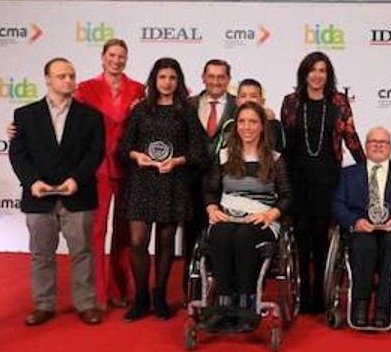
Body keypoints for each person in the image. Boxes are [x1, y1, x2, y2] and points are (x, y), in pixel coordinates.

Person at [8, 57, 106, 327]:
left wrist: (77, 179)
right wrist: (32, 182)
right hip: (38, 197)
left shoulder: (91, 116)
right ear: (47, 80)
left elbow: (95, 152)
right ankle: (43, 304)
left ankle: (86, 304)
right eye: (61, 76)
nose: (68, 80)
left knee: (83, 252)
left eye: (72, 75)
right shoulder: (24, 116)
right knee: (41, 254)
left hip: (79, 194)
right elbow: (18, 154)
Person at [118, 58, 209, 321]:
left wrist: (178, 161)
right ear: (154, 80)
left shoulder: (186, 112)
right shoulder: (140, 110)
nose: (167, 82)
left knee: (166, 242)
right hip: (142, 182)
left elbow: (199, 152)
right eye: (162, 77)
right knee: (137, 242)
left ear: (178, 81)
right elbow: (123, 148)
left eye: (172, 77)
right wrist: (137, 156)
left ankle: (159, 296)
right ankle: (141, 297)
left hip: (172, 182)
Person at [280, 51, 365, 313]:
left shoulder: (339, 102)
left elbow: (350, 137)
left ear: (328, 75)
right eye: (312, 70)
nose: (317, 75)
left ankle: (321, 291)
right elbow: (284, 144)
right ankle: (302, 291)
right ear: (304, 74)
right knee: (302, 235)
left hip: (329, 177)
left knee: (322, 236)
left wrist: (367, 168)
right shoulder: (291, 102)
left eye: (322, 71)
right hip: (298, 178)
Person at [202, 103, 291, 327]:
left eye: (253, 122)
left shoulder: (275, 158)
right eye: (242, 122)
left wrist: (271, 214)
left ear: (262, 126)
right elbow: (211, 190)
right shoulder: (223, 156)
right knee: (221, 236)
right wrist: (212, 208)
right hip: (227, 216)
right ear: (236, 125)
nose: (247, 127)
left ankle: (245, 302)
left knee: (244, 237)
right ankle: (222, 303)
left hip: (261, 218)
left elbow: (287, 196)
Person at [73, 38, 146, 310]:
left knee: (125, 233)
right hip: (97, 166)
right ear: (103, 57)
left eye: (121, 56)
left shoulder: (139, 88)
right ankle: (97, 295)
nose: (116, 60)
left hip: (129, 165)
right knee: (96, 230)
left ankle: (119, 290)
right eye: (112, 55)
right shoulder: (85, 89)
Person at [332, 127, 391, 328]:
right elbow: (338, 205)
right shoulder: (349, 174)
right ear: (365, 147)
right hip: (361, 229)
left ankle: (383, 308)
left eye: (382, 142)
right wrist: (354, 222)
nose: (377, 145)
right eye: (373, 141)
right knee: (364, 245)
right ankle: (360, 305)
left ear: (390, 147)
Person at [182, 59, 237, 295]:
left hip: (224, 181)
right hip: (191, 180)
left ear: (228, 80)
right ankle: (192, 288)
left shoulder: (238, 105)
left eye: (221, 77)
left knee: (221, 234)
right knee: (191, 234)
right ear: (203, 78)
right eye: (211, 76)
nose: (215, 81)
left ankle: (221, 287)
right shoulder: (187, 105)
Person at [216, 78, 285, 151]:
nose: (248, 100)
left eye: (253, 96)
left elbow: (280, 154)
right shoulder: (229, 125)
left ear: (262, 101)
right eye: (243, 96)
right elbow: (221, 155)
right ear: (237, 101)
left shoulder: (273, 125)